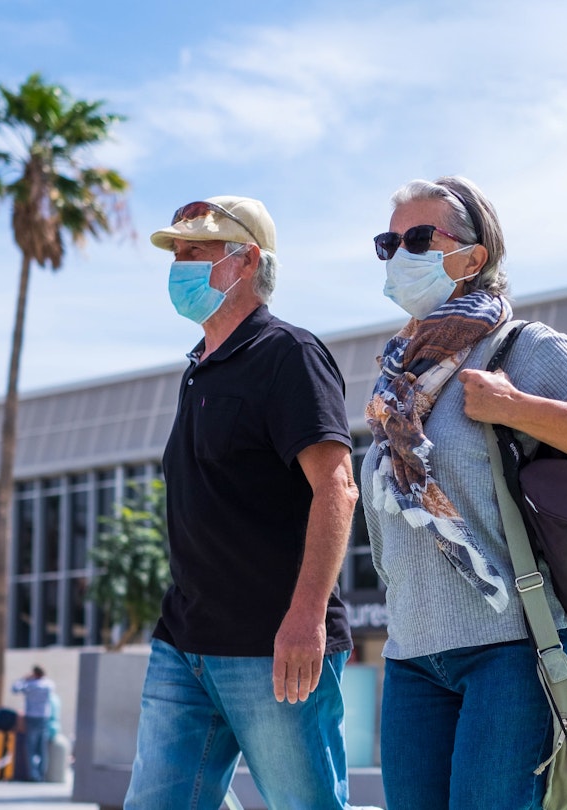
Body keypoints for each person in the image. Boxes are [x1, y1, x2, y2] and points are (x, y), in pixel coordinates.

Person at [361, 176, 567, 808]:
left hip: (512, 649)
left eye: (419, 238)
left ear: (473, 257)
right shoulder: (399, 376)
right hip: (413, 654)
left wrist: (514, 407)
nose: (400, 254)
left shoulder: (521, 347)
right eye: (390, 243)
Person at [124, 197, 357, 810]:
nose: (179, 265)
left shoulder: (289, 355)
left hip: (274, 649)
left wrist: (306, 617)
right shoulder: (197, 369)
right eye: (176, 253)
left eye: (194, 252)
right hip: (183, 643)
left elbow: (337, 488)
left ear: (247, 260)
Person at [10, 665, 55, 781]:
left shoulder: (30, 686)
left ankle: (33, 774)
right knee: (42, 748)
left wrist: (23, 679)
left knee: (31, 747)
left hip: (31, 717)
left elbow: (14, 689)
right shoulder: (48, 684)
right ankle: (42, 774)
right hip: (44, 717)